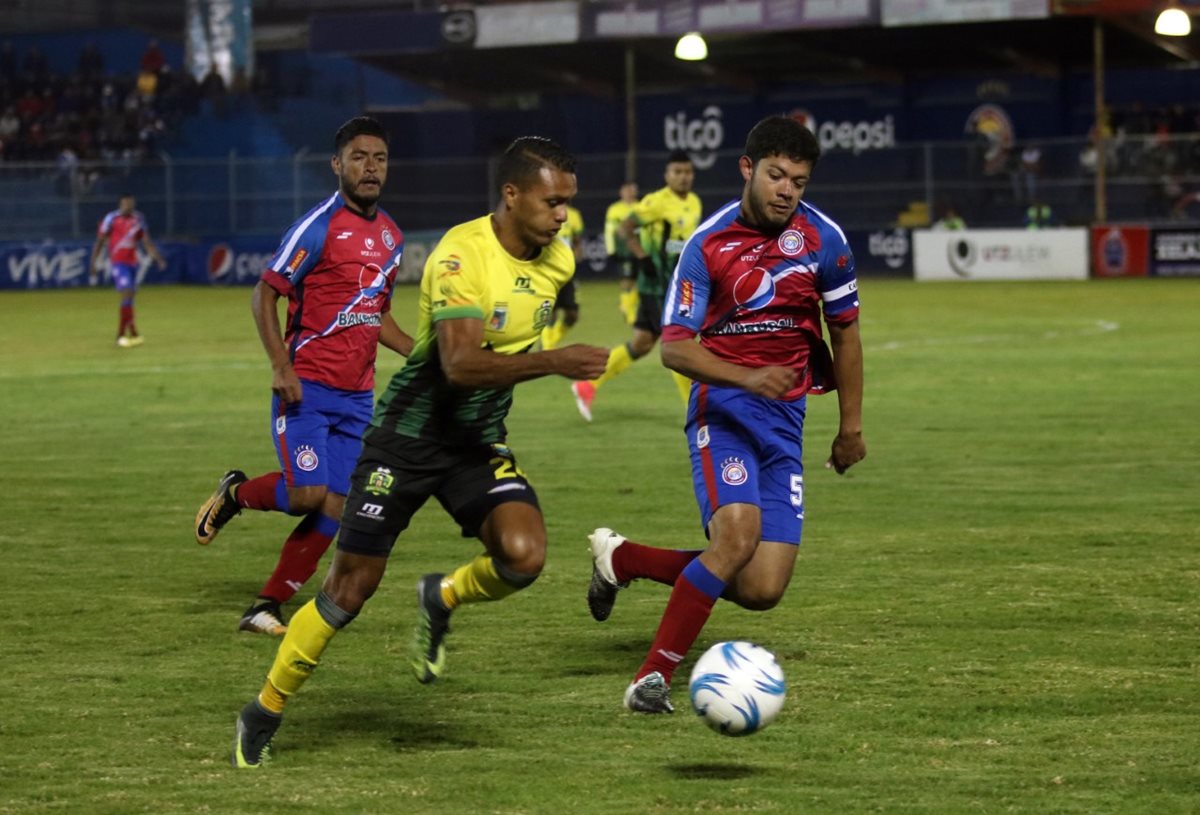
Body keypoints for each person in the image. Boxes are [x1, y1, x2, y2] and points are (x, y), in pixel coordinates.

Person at [230, 136, 609, 768]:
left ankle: (442, 596)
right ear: (512, 195)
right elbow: (459, 365)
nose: (563, 216)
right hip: (406, 439)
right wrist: (556, 362)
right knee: (350, 589)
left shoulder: (558, 260)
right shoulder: (461, 254)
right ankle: (265, 707)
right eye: (552, 202)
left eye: (569, 202)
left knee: (524, 556)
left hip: (475, 443)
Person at [585, 115, 866, 714]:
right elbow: (674, 346)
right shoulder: (707, 245)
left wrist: (851, 427)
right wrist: (748, 376)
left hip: (785, 423)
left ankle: (623, 557)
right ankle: (651, 679)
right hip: (724, 411)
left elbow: (847, 334)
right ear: (747, 169)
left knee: (762, 588)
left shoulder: (824, 240)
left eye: (798, 180)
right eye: (775, 175)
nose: (786, 190)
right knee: (735, 539)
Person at [193, 116, 414, 636]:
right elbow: (264, 292)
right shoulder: (318, 226)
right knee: (308, 496)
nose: (370, 168)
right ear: (337, 165)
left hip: (358, 397)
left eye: (379, 158)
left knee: (338, 505)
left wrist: (416, 350)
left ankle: (265, 606)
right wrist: (280, 364)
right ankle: (236, 495)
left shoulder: (391, 237)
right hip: (307, 388)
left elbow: (374, 311)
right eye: (358, 158)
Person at [570, 150, 701, 420]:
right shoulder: (656, 202)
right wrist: (643, 257)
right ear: (667, 175)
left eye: (687, 172)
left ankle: (587, 384)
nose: (683, 177)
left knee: (641, 344)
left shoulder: (695, 203)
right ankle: (697, 413)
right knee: (678, 342)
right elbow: (625, 228)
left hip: (676, 286)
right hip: (656, 287)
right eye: (677, 172)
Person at [89, 193, 166, 347]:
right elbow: (100, 240)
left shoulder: (138, 219)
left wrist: (158, 258)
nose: (128, 207)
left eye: (131, 204)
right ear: (120, 204)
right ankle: (122, 335)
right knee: (127, 291)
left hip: (132, 263)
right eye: (125, 204)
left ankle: (132, 333)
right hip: (118, 262)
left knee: (129, 299)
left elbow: (146, 241)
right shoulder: (111, 219)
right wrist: (93, 262)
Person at [540, 204, 585, 349]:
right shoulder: (543, 213)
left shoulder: (574, 215)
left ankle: (550, 343)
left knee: (572, 315)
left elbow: (577, 240)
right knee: (550, 312)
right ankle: (546, 348)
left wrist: (577, 255)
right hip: (548, 269)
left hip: (567, 270)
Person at [605, 181, 640, 325]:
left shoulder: (641, 207)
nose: (630, 193)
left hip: (640, 249)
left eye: (632, 190)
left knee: (640, 280)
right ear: (621, 192)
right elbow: (609, 231)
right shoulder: (615, 209)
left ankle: (627, 305)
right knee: (627, 279)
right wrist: (611, 249)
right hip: (624, 250)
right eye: (627, 190)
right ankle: (628, 310)